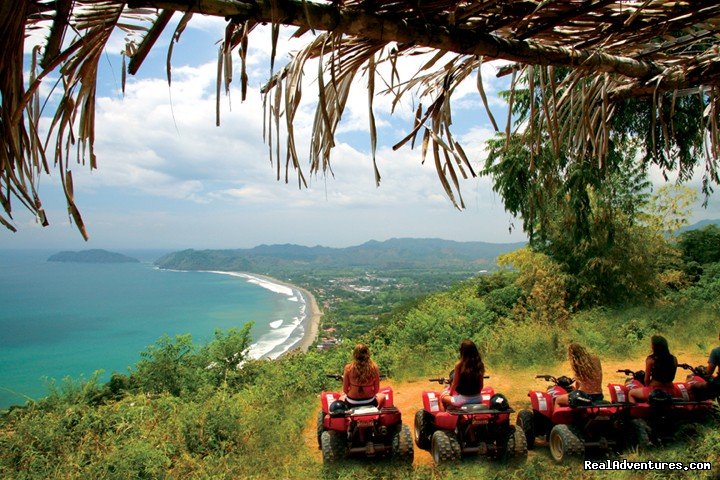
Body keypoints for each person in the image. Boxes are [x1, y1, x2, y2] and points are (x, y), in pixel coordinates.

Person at [629, 335, 678, 403]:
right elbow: (672, 377)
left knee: (631, 393)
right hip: (671, 390)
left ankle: (634, 412)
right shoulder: (674, 359)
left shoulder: (651, 359)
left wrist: (647, 387)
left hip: (654, 390)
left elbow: (646, 380)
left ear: (654, 347)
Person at [554, 343, 603, 407]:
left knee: (558, 400)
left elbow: (578, 383)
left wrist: (575, 391)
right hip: (598, 395)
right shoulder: (596, 359)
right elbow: (599, 376)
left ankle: (557, 417)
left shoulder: (577, 364)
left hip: (584, 396)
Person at [441, 340, 485, 409]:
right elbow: (481, 385)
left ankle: (445, 415)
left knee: (442, 397)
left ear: (462, 352)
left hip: (463, 400)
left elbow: (455, 384)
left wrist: (450, 394)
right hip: (478, 399)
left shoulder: (459, 365)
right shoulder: (480, 364)